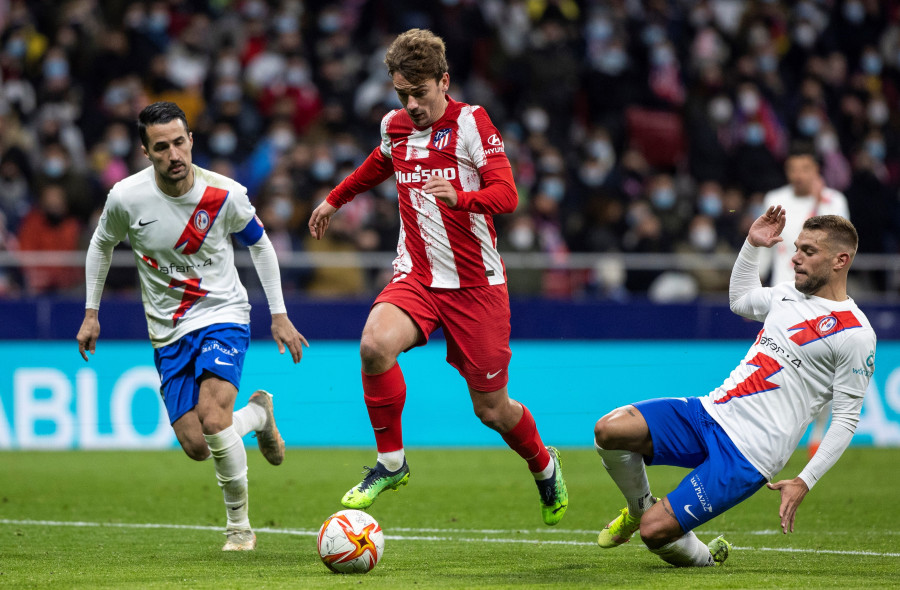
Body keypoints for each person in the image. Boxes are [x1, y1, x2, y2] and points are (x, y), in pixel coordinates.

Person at [307, 29, 567, 525]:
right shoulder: (394, 125)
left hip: (476, 287)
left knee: (491, 410)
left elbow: (509, 195)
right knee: (373, 345)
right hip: (418, 277)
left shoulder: (472, 122)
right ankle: (391, 463)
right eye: (402, 94)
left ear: (444, 81)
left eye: (420, 93)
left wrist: (462, 197)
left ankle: (543, 462)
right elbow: (379, 163)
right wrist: (335, 199)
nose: (412, 104)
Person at [75, 102, 308, 551]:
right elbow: (101, 245)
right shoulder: (126, 197)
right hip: (167, 332)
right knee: (197, 443)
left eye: (180, 142)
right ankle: (259, 416)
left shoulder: (226, 194)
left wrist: (278, 313)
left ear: (191, 141)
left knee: (215, 416)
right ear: (146, 152)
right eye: (161, 147)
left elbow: (260, 247)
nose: (173, 154)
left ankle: (239, 528)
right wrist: (91, 311)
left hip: (223, 314)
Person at [593, 207, 875, 567]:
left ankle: (705, 558)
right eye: (797, 247)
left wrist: (805, 479)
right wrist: (752, 244)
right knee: (609, 429)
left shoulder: (856, 333)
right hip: (709, 412)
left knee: (654, 532)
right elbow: (739, 300)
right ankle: (637, 507)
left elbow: (847, 418)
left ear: (840, 260)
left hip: (750, 452)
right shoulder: (787, 295)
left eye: (809, 251)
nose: (795, 258)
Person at [760, 147, 850, 458]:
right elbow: (765, 249)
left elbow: (841, 249)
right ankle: (777, 434)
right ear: (787, 171)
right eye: (793, 168)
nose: (799, 175)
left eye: (805, 168)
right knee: (778, 366)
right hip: (782, 297)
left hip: (821, 299)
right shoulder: (775, 198)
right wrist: (755, 294)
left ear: (815, 170)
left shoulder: (833, 201)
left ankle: (819, 432)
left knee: (824, 369)